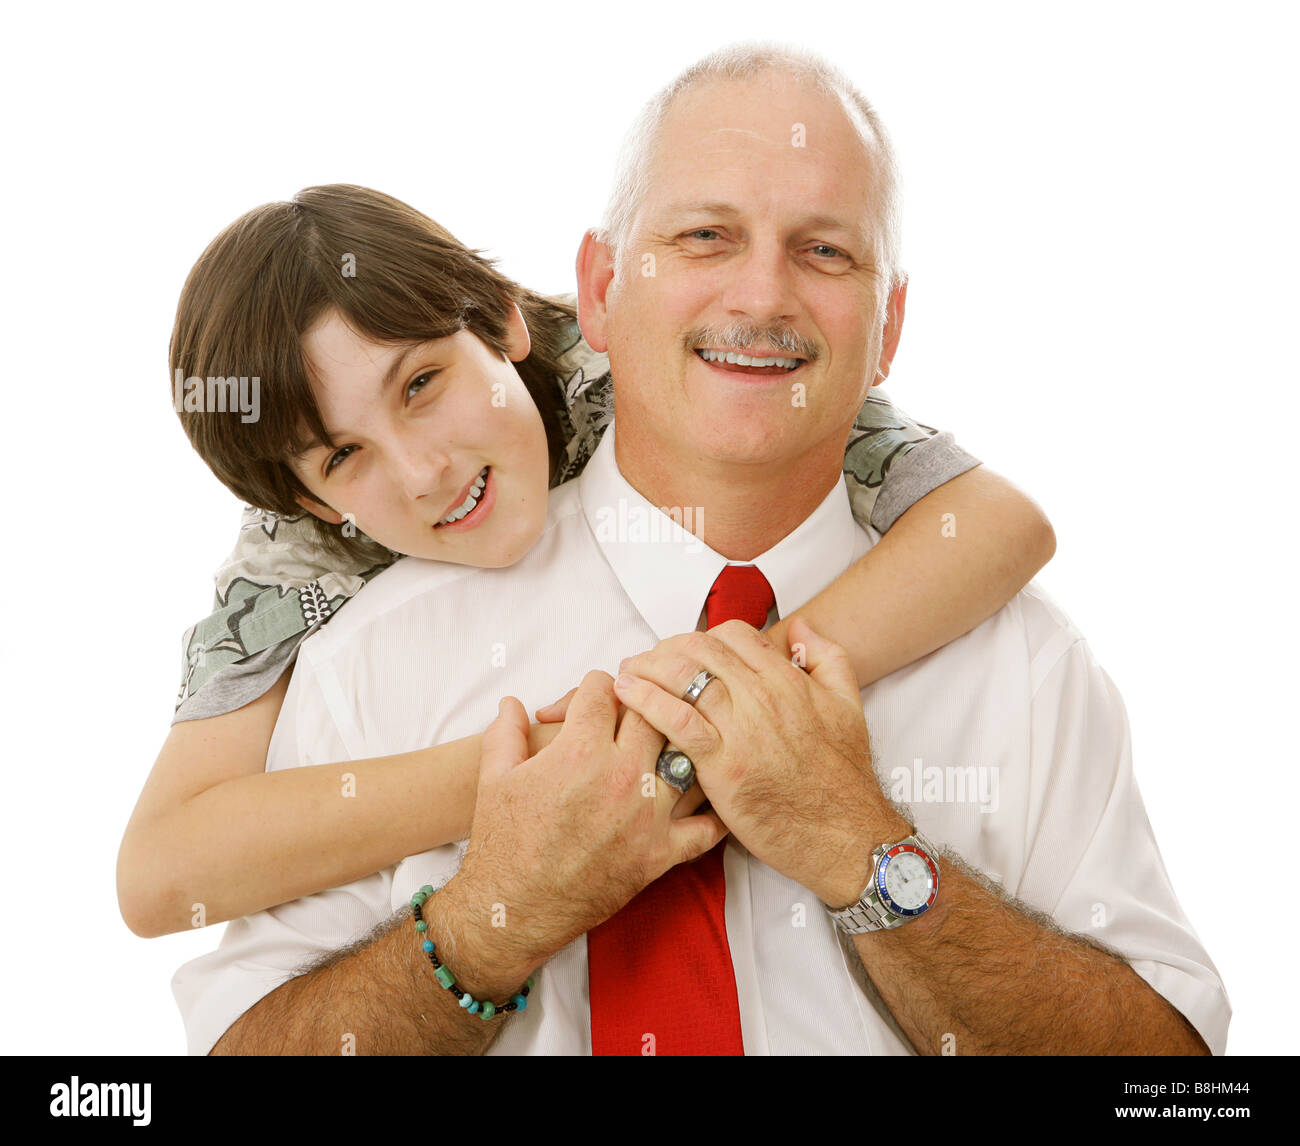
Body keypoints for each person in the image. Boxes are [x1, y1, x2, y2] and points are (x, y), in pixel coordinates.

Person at [173, 43, 1229, 1056]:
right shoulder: (359, 658)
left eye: (823, 250)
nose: (761, 298)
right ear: (597, 290)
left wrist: (867, 851)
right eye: (704, 238)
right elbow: (166, 893)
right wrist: (497, 917)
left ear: (888, 329)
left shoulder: (1023, 665)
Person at [117, 184, 1054, 938]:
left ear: (503, 325)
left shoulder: (636, 354)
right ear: (315, 502)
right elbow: (160, 877)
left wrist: (716, 698)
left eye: (423, 384)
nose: (423, 470)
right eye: (344, 456)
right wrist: (529, 769)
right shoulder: (296, 549)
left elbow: (1000, 523)